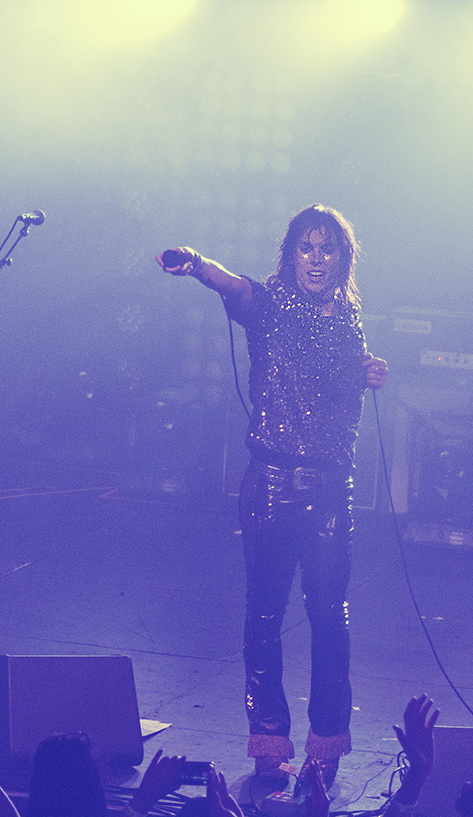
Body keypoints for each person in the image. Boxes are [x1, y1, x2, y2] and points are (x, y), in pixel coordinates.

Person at [159, 206, 389, 787]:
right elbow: (229, 282)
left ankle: (328, 740)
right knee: (264, 616)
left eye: (326, 248)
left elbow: (334, 379)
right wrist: (195, 264)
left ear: (342, 257)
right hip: (270, 485)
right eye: (306, 248)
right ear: (291, 255)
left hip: (332, 487)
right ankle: (268, 740)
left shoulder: (351, 316)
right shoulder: (270, 306)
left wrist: (369, 370)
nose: (316, 258)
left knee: (329, 618)